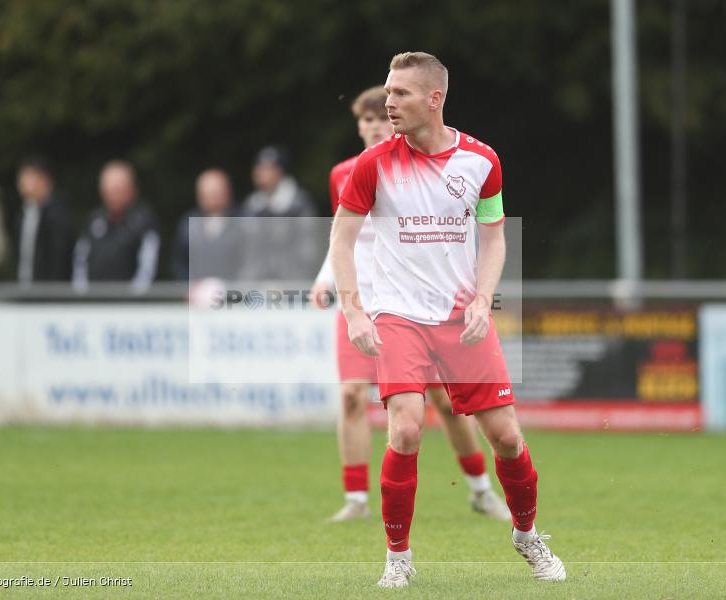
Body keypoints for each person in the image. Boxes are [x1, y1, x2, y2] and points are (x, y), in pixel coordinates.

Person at [329, 52, 565, 587]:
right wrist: (354, 309)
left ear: (434, 99)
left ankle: (527, 536)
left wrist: (483, 299)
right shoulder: (373, 164)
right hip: (398, 316)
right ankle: (398, 559)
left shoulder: (482, 161)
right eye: (388, 91)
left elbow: (494, 238)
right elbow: (342, 240)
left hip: (461, 317)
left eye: (401, 93)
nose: (389, 102)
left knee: (507, 437)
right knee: (407, 427)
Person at [311, 86, 509, 524]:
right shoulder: (344, 173)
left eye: (382, 118)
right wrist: (326, 280)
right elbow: (342, 237)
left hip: (414, 303)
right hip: (361, 301)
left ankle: (480, 488)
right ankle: (356, 499)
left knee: (444, 401)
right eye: (367, 120)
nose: (375, 126)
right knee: (351, 396)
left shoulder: (426, 168)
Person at [73, 161, 160, 293]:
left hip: (130, 301)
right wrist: (82, 293)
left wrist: (134, 297)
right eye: (109, 189)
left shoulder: (144, 221)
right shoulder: (94, 219)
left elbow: (148, 267)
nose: (113, 195)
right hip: (94, 299)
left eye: (118, 189)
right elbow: (80, 260)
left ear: (132, 189)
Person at [239, 145, 317, 281]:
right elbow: (246, 248)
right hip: (257, 280)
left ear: (280, 172)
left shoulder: (300, 204)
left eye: (268, 168)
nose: (261, 173)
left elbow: (308, 248)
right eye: (259, 167)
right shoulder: (252, 205)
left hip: (292, 280)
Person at [173, 168, 242, 282]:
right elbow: (180, 262)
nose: (213, 198)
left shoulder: (244, 223)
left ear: (228, 193)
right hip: (197, 289)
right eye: (208, 193)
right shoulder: (188, 224)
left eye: (216, 192)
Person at [15, 156, 76, 284]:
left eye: (28, 177)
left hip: (49, 291)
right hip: (26, 288)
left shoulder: (58, 215)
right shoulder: (24, 214)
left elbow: (60, 260)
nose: (21, 183)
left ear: (44, 180)